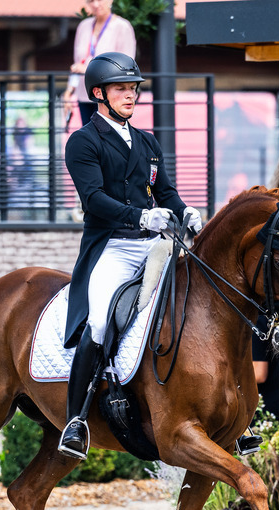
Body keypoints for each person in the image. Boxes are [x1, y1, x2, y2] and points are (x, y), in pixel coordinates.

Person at [59, 52, 202, 459]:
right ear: (99, 94)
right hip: (113, 247)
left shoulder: (147, 142)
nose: (131, 96)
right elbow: (94, 200)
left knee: (197, 305)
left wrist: (185, 212)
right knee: (101, 320)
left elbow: (166, 193)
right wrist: (141, 215)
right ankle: (75, 420)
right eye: (122, 89)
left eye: (134, 89)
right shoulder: (83, 142)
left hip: (154, 246)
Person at [63, 0, 136, 126]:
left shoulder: (122, 26)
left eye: (99, 0)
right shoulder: (84, 26)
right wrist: (68, 92)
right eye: (91, 1)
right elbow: (77, 64)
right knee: (89, 138)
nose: (96, 5)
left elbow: (126, 67)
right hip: (84, 94)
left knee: (108, 139)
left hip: (109, 97)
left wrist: (88, 69)